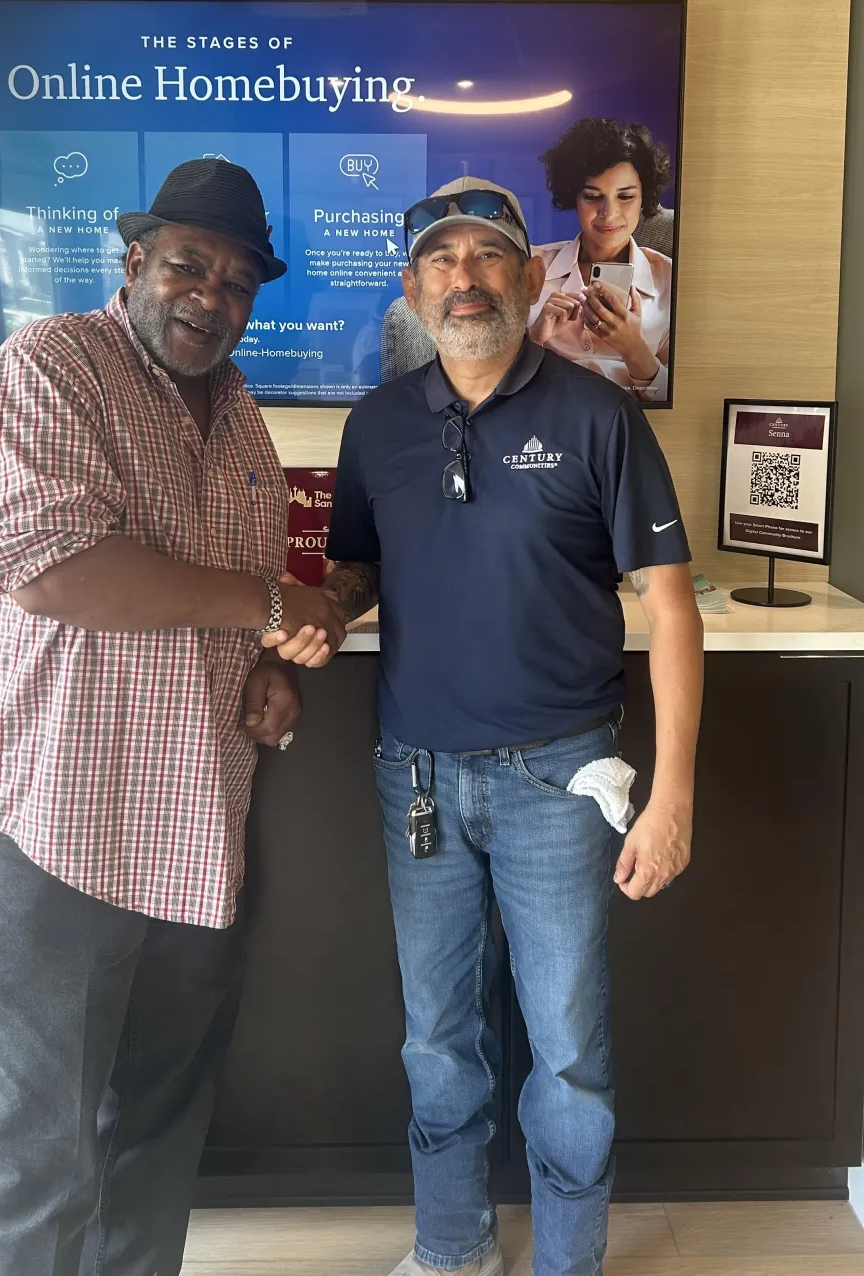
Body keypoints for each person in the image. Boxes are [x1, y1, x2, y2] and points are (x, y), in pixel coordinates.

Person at [266, 176, 704, 1276]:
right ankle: (451, 1249)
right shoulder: (376, 425)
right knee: (437, 1042)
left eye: (489, 257)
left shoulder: (599, 416)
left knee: (566, 1057)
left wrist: (673, 795)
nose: (466, 280)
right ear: (414, 288)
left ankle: (567, 1261)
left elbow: (669, 604)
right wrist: (318, 610)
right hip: (415, 777)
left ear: (527, 274)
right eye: (443, 263)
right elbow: (362, 565)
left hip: (562, 778)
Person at [0, 157, 347, 1276]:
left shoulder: (246, 422)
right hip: (51, 832)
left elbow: (234, 608)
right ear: (134, 262)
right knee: (33, 1157)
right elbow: (55, 567)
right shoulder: (49, 365)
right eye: (187, 265)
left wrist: (273, 669)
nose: (210, 296)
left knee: (152, 1148)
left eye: (236, 281)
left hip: (195, 834)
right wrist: (271, 603)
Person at [529, 118, 675, 403]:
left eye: (626, 197)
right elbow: (495, 381)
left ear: (644, 198)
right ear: (574, 197)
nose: (609, 214)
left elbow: (674, 401)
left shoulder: (670, 279)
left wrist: (634, 348)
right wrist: (534, 340)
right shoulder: (532, 267)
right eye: (593, 197)